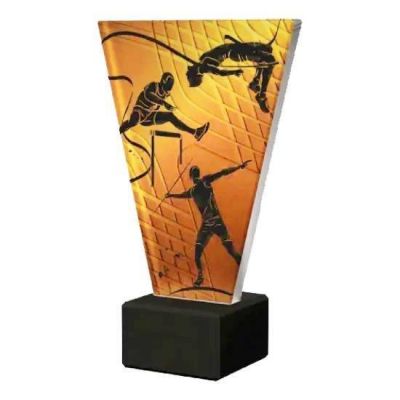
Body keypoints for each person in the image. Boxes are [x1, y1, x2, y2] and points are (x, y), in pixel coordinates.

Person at [166, 160, 251, 286]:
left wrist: (239, 167)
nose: (194, 177)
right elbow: (222, 172)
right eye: (194, 174)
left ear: (192, 176)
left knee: (227, 251)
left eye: (194, 175)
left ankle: (242, 267)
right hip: (209, 225)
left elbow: (222, 173)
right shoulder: (195, 189)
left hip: (215, 223)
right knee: (203, 253)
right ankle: (200, 277)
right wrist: (171, 195)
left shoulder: (204, 182)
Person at [186, 35, 278, 113]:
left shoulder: (202, 60)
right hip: (235, 53)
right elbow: (220, 72)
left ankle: (256, 81)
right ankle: (261, 94)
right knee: (269, 59)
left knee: (266, 49)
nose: (187, 72)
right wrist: (234, 72)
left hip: (235, 48)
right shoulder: (203, 67)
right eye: (188, 75)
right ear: (195, 75)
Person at [119, 72, 209, 140]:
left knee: (170, 116)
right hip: (140, 111)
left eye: (167, 91)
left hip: (150, 115)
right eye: (165, 89)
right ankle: (123, 128)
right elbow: (149, 95)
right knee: (134, 120)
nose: (165, 92)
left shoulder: (165, 93)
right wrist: (163, 103)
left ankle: (195, 133)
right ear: (162, 83)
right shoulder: (153, 86)